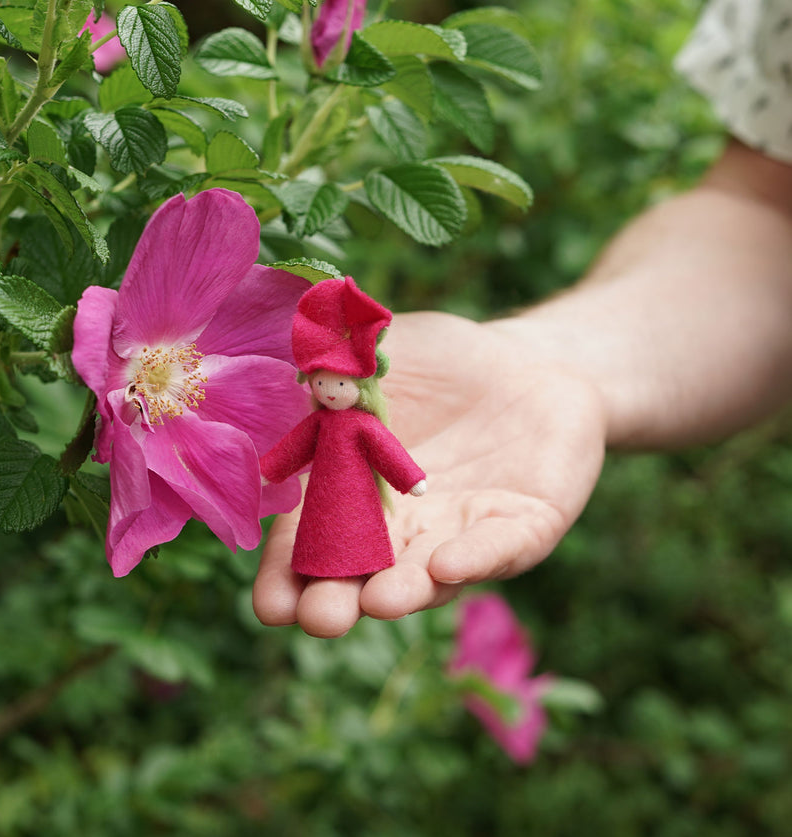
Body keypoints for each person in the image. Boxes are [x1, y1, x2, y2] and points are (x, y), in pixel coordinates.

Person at [253, 0, 792, 637]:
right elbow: (765, 205)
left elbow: (387, 456)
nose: (331, 389)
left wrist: (411, 479)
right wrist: (553, 363)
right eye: (324, 380)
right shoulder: (336, 421)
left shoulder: (359, 425)